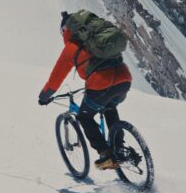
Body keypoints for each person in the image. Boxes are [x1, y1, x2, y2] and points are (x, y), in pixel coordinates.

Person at [38, 11, 132, 170]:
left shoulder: (71, 48)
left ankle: (105, 154)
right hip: (124, 79)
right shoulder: (97, 41)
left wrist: (44, 96)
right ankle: (120, 149)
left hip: (101, 83)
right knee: (109, 107)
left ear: (67, 30)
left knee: (84, 116)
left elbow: (56, 77)